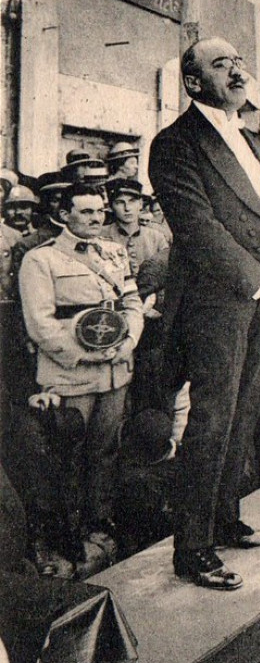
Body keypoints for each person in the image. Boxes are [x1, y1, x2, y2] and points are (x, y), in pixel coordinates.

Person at [148, 37, 260, 590]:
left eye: (239, 60)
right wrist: (256, 277)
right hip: (216, 303)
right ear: (193, 82)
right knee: (211, 420)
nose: (237, 69)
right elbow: (197, 227)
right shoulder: (174, 144)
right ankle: (192, 549)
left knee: (245, 413)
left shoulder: (255, 139)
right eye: (221, 64)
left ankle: (226, 519)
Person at [18, 181, 144, 552]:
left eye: (100, 209)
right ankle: (66, 536)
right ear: (63, 215)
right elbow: (40, 325)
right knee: (67, 456)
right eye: (86, 211)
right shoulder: (40, 260)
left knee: (105, 452)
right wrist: (87, 354)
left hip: (115, 372)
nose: (97, 216)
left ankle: (98, 523)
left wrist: (129, 341)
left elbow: (132, 304)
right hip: (70, 376)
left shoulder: (114, 253)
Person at [103, 178, 169, 276]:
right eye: (120, 202)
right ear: (111, 207)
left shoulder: (156, 237)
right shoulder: (100, 235)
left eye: (132, 201)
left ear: (140, 204)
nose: (127, 208)